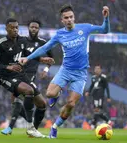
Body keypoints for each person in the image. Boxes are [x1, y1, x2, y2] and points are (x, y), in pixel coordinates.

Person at [19, 5, 110, 138]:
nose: (69, 20)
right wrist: (27, 58)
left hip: (81, 73)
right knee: (49, 94)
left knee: (71, 104)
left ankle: (55, 126)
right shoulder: (60, 34)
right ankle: (57, 93)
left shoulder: (85, 28)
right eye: (66, 18)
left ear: (74, 18)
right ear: (62, 20)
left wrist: (106, 18)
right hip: (66, 70)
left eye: (71, 17)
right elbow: (44, 48)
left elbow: (105, 30)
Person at [0, 18, 53, 138]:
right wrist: (8, 67)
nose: (15, 30)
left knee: (42, 103)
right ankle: (30, 127)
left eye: (17, 27)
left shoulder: (22, 41)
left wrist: (42, 59)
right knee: (28, 91)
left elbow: (27, 56)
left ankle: (29, 127)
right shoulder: (0, 44)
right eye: (12, 28)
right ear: (6, 29)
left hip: (21, 75)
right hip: (6, 77)